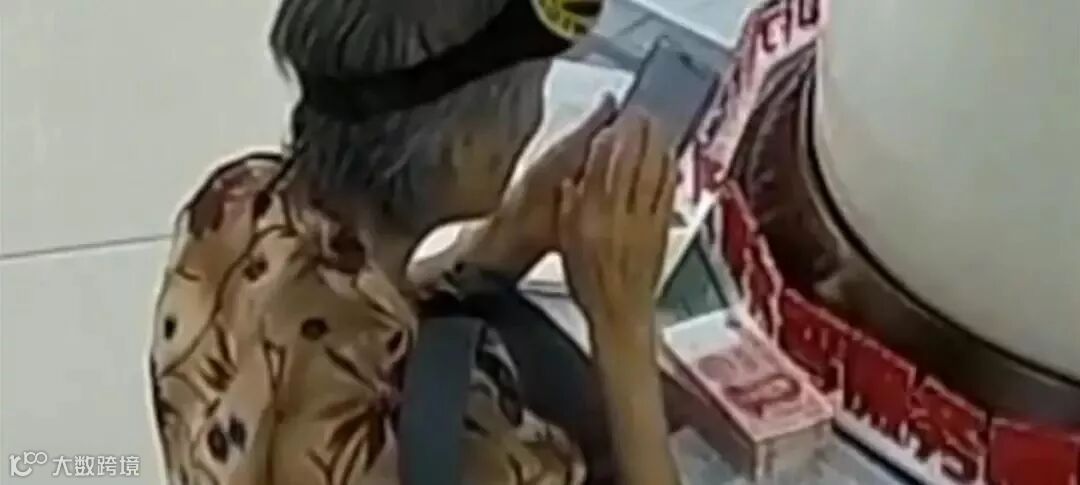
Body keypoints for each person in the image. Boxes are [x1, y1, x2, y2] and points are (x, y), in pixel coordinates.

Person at [146, 0, 680, 482]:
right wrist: (623, 326)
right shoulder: (471, 453)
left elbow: (362, 314)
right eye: (532, 91)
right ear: (463, 147)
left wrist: (505, 241)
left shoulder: (234, 203)